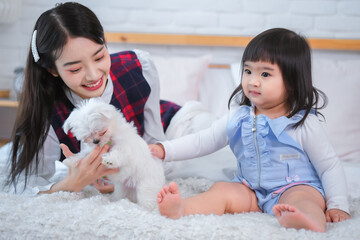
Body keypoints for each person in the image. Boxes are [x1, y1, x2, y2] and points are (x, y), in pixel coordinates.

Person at [150, 28, 351, 232]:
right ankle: (182, 208)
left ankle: (308, 219)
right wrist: (165, 150)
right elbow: (204, 140)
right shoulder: (239, 116)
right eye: (248, 71)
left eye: (265, 74)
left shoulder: (302, 122)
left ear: (291, 82)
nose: (253, 81)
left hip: (295, 187)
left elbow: (329, 166)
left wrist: (338, 205)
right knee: (221, 190)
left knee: (305, 199)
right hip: (251, 191)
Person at [7, 2, 181, 195]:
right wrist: (71, 184)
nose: (93, 75)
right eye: (75, 69)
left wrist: (126, 176)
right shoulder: (47, 113)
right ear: (52, 69)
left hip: (173, 125)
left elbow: (154, 143)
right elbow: (26, 185)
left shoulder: (139, 67)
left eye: (99, 57)